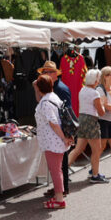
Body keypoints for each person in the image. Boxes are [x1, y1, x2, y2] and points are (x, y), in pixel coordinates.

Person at [65, 69, 108, 184]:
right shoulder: (94, 93)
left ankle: (63, 171)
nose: (99, 81)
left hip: (82, 119)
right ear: (95, 80)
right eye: (98, 79)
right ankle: (95, 175)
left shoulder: (82, 90)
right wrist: (103, 103)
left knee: (78, 149)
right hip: (91, 120)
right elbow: (101, 112)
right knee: (96, 150)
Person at [36, 61, 71, 198]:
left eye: (48, 72)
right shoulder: (52, 93)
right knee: (57, 168)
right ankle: (59, 190)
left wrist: (65, 136)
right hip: (57, 135)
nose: (45, 74)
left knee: (58, 167)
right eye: (44, 72)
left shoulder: (61, 89)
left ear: (55, 73)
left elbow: (64, 115)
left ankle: (61, 191)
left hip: (56, 136)